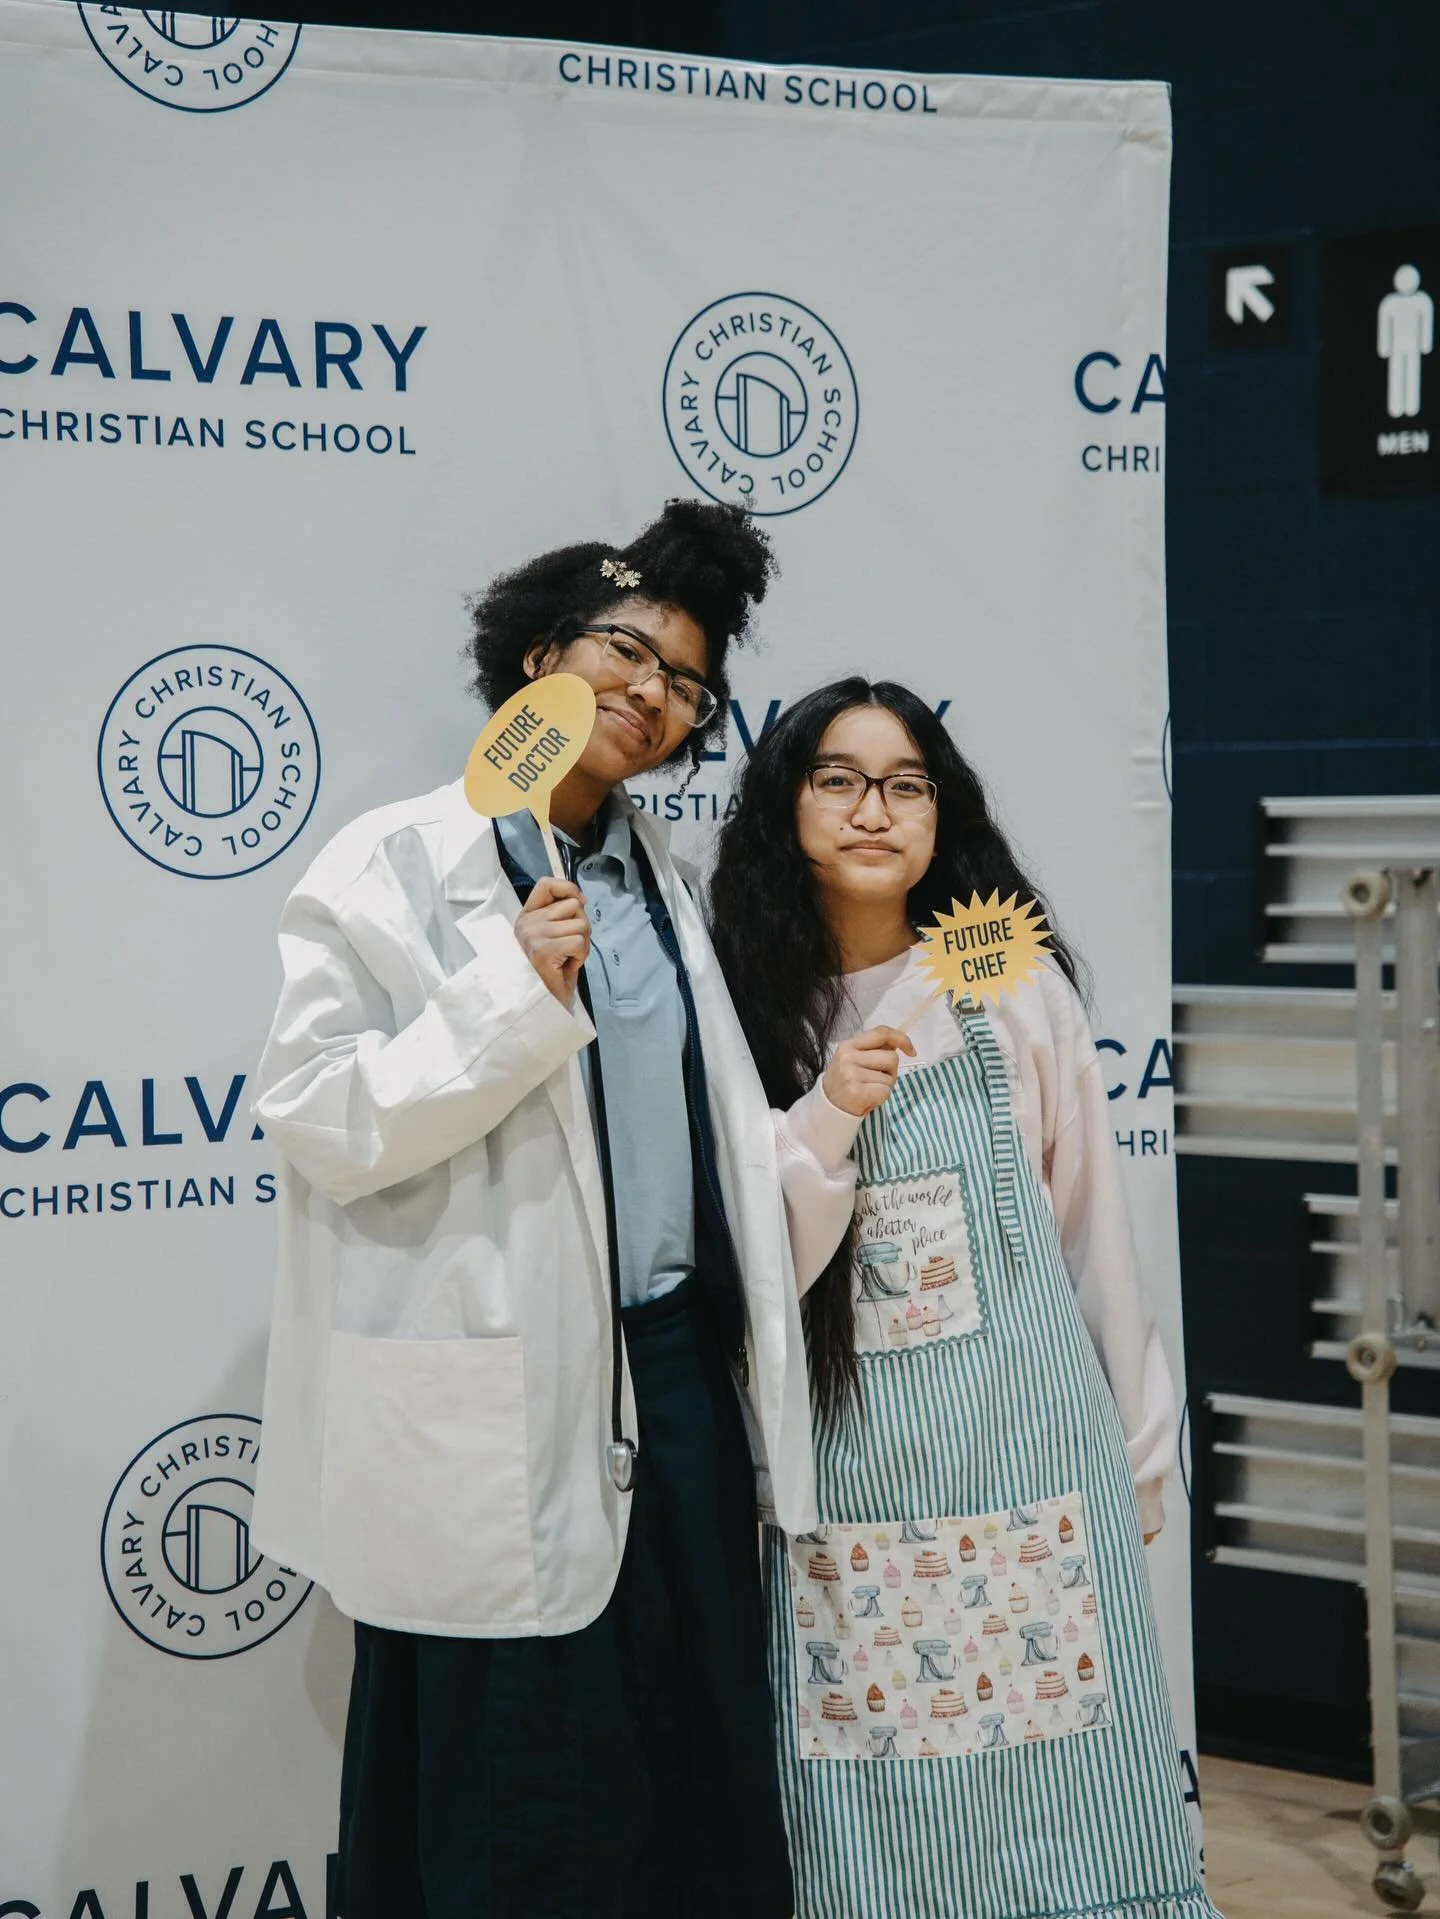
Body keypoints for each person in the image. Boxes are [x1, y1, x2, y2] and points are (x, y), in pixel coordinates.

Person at [249, 499, 816, 1919]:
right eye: (626, 650)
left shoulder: (663, 886)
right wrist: (507, 990)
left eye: (686, 683)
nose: (651, 693)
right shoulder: (390, 865)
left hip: (677, 1382)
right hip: (495, 1393)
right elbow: (318, 1118)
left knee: (689, 1757)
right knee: (516, 1780)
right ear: (535, 655)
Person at [709, 677, 1220, 1919]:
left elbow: (1095, 1225)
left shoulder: (1006, 983)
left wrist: (1141, 1448)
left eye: (906, 782)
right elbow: (748, 1259)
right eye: (839, 777)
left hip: (1032, 1464)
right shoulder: (733, 1006)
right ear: (787, 806)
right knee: (876, 1819)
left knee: (1068, 1802)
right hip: (847, 1481)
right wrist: (828, 1108)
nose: (874, 808)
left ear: (943, 814)